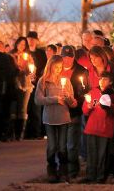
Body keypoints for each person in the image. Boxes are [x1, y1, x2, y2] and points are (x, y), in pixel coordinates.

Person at [35, 55, 77, 183]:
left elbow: (73, 103)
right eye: (56, 67)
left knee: (62, 147)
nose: (58, 69)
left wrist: (68, 97)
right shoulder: (43, 81)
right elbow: (38, 100)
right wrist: (54, 99)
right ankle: (52, 170)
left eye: (60, 67)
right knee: (52, 146)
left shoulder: (66, 81)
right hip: (49, 118)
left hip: (63, 117)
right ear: (50, 66)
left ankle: (63, 171)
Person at [82, 71, 114, 183]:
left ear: (110, 82)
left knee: (102, 155)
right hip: (92, 128)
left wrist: (109, 106)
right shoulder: (93, 92)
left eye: (105, 79)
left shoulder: (113, 95)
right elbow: (85, 110)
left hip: (105, 129)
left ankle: (100, 176)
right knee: (91, 154)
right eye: (100, 79)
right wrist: (89, 106)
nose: (102, 81)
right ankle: (90, 175)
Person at [60, 45, 88, 178]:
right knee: (60, 145)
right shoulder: (55, 70)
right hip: (58, 114)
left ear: (73, 57)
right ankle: (62, 169)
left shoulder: (81, 71)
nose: (67, 60)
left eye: (70, 57)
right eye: (64, 57)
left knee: (71, 145)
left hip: (74, 113)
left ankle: (72, 171)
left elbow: (85, 90)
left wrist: (79, 100)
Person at [10, 37, 34, 141]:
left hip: (26, 84)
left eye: (24, 45)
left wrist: (28, 67)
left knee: (23, 108)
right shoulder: (11, 56)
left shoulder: (28, 57)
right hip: (14, 83)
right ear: (16, 44)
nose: (22, 46)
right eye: (20, 44)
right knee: (13, 108)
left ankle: (20, 134)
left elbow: (31, 71)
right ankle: (11, 133)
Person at [26, 31, 47, 140]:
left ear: (36, 40)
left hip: (38, 83)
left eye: (33, 39)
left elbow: (44, 67)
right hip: (26, 84)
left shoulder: (41, 53)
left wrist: (38, 77)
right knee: (27, 109)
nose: (31, 41)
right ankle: (27, 133)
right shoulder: (25, 52)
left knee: (37, 109)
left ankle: (37, 132)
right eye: (29, 39)